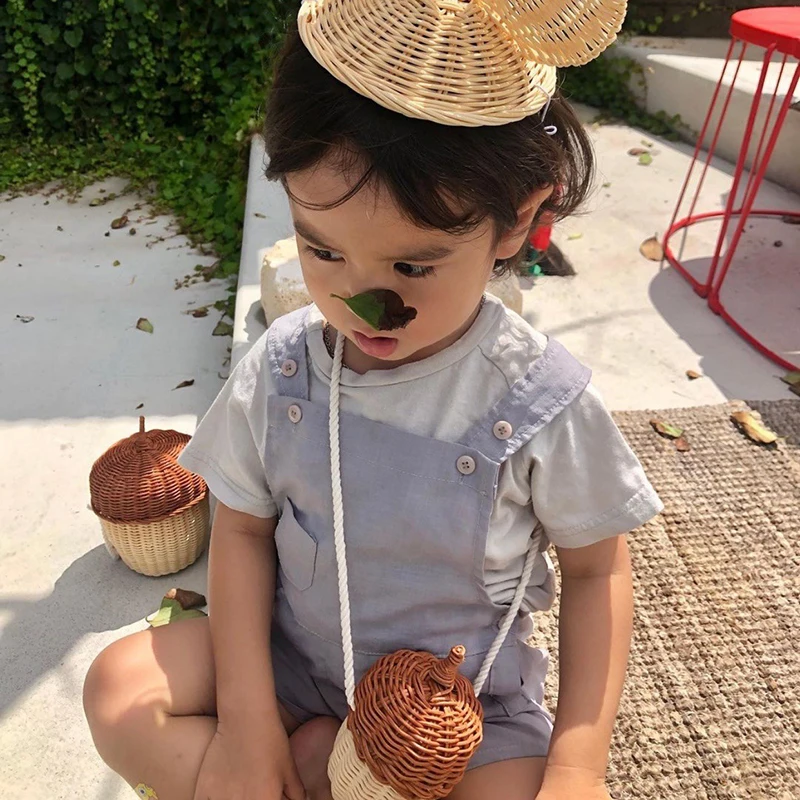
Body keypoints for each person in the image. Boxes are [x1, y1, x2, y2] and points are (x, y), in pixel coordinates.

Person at [83, 1, 663, 798]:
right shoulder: (282, 371)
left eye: (414, 268)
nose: (362, 305)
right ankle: (299, 766)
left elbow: (599, 574)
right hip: (293, 663)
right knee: (118, 689)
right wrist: (248, 728)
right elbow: (244, 536)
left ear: (518, 221)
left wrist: (578, 766)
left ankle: (317, 770)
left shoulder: (538, 403)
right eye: (323, 249)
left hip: (461, 708)